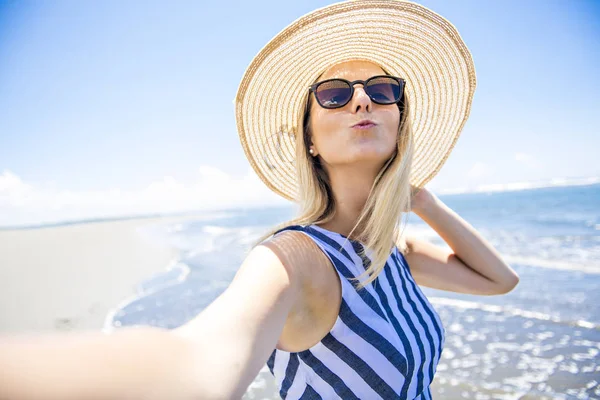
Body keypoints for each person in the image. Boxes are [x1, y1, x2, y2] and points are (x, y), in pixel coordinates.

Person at [0, 0, 520, 399]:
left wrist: (423, 201)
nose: (362, 98)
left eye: (382, 89)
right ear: (310, 138)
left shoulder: (393, 249)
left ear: (399, 121)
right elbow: (198, 361)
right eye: (335, 94)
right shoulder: (296, 258)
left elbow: (500, 281)